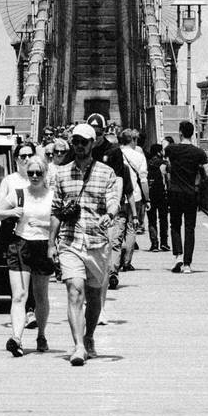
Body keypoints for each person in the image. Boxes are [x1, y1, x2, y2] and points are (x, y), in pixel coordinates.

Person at [46, 124, 121, 366]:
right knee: (74, 290)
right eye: (75, 141)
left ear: (93, 144)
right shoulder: (61, 174)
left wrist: (110, 214)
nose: (79, 145)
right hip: (70, 241)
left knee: (94, 297)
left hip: (97, 242)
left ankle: (89, 337)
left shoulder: (106, 172)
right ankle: (78, 346)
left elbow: (113, 199)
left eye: (84, 141)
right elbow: (56, 211)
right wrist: (51, 244)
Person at [0, 153, 54, 356]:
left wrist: (44, 224)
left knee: (41, 296)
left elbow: (59, 223)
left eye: (39, 172)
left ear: (45, 173)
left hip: (43, 245)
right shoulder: (18, 194)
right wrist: (12, 212)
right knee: (19, 295)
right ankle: (16, 338)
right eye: (31, 172)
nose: (34, 176)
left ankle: (41, 334)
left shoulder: (52, 195)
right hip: (20, 244)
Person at [84, 114, 135, 289]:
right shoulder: (82, 148)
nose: (96, 137)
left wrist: (116, 206)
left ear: (104, 132)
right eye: (93, 133)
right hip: (89, 206)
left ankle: (112, 273)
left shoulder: (113, 151)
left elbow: (119, 179)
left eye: (99, 133)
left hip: (110, 205)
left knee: (113, 241)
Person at [164, 119, 208, 273]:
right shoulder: (199, 152)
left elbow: (164, 168)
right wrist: (198, 181)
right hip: (191, 193)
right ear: (193, 133)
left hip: (175, 192)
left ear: (180, 133)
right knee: (190, 228)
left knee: (175, 225)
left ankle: (178, 255)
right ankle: (187, 264)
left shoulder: (171, 150)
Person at [116, 129, 149, 272]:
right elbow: (143, 180)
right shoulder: (139, 156)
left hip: (118, 196)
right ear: (134, 140)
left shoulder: (115, 154)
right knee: (131, 228)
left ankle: (115, 260)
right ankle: (127, 262)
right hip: (134, 196)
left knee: (118, 228)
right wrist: (147, 199)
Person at [143, 138, 169, 252]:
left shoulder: (147, 164)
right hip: (161, 194)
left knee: (151, 219)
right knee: (163, 218)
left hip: (150, 194)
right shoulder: (163, 164)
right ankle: (164, 242)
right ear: (159, 152)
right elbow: (167, 179)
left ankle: (154, 244)